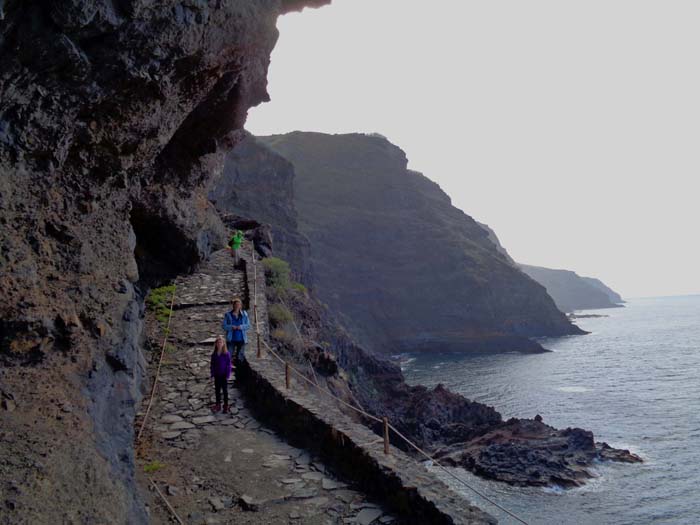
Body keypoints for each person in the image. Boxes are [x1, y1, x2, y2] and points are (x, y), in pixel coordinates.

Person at [222, 298, 250, 365]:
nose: (237, 306)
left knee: (240, 356)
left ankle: (239, 372)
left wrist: (241, 327)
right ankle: (227, 369)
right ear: (233, 305)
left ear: (241, 306)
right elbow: (224, 326)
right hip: (231, 339)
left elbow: (248, 325)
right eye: (236, 304)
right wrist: (231, 327)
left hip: (241, 339)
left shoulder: (244, 314)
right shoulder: (228, 315)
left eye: (239, 304)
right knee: (228, 355)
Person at [210, 336, 231, 413]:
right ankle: (218, 404)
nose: (219, 344)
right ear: (216, 344)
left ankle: (226, 405)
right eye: (218, 343)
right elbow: (212, 365)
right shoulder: (214, 354)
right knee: (217, 390)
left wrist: (228, 374)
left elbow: (229, 365)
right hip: (217, 375)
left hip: (224, 375)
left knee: (225, 391)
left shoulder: (226, 354)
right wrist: (212, 374)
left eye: (221, 342)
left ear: (223, 344)